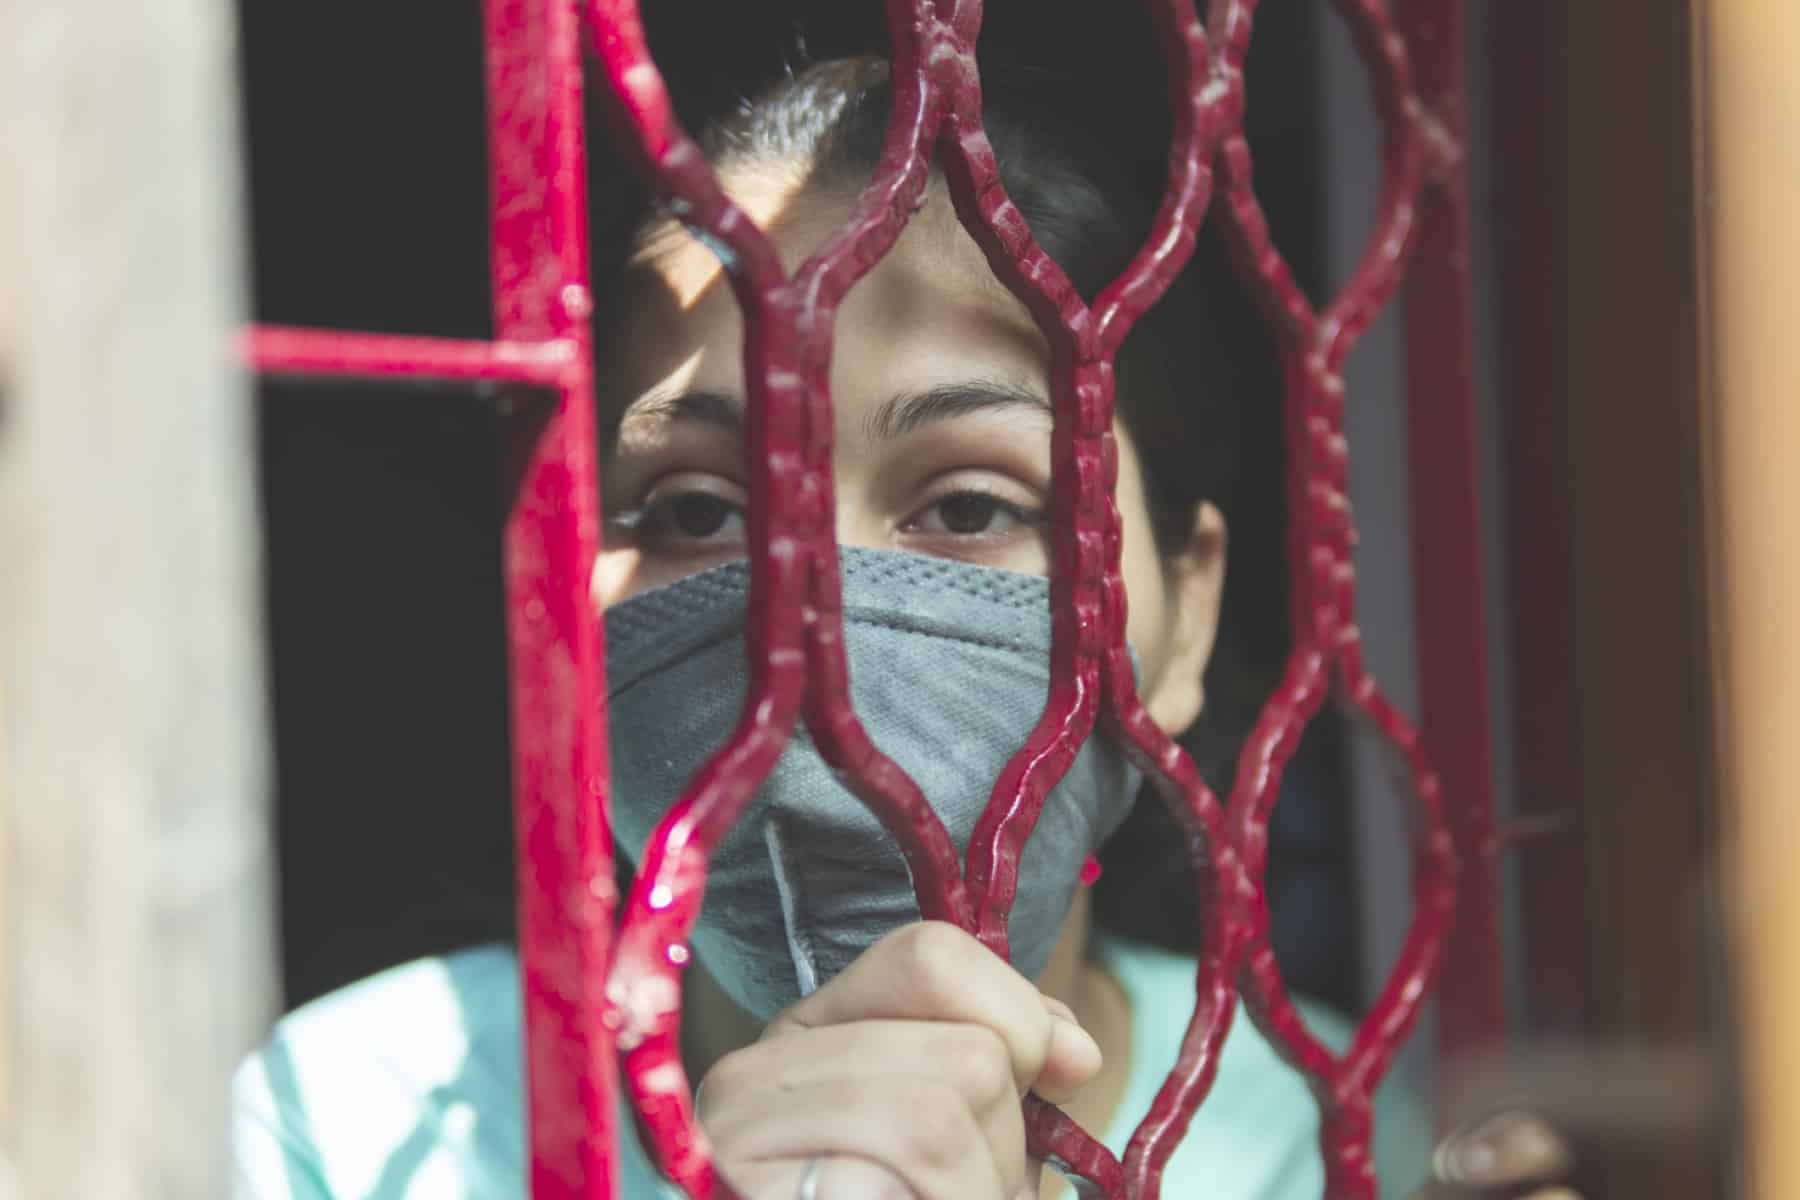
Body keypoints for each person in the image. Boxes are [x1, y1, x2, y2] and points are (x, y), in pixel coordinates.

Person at [232, 54, 1574, 1200]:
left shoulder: (1345, 1146)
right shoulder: (351, 1124)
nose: (814, 638)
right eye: (695, 510)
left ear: (1186, 613)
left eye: (971, 507)